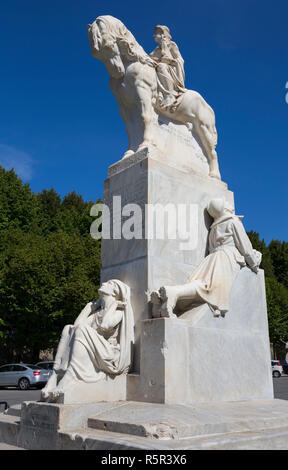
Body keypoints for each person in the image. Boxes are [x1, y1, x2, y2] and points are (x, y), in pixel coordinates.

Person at [152, 198, 262, 318]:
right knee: (208, 288)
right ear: (224, 208)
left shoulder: (214, 227)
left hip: (212, 258)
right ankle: (173, 292)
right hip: (227, 257)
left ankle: (168, 296)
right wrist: (254, 264)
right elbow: (245, 248)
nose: (230, 204)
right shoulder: (233, 222)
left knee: (201, 284)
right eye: (226, 202)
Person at [41, 279, 134, 401]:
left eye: (109, 284)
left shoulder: (118, 312)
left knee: (82, 329)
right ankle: (56, 375)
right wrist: (89, 307)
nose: (104, 283)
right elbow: (76, 325)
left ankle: (71, 375)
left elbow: (105, 325)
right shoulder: (98, 313)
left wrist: (114, 305)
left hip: (109, 351)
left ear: (114, 292)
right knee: (67, 328)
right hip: (96, 348)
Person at [150, 25, 186, 111]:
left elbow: (180, 60)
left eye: (156, 33)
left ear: (162, 34)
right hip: (159, 69)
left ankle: (170, 95)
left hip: (171, 69)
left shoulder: (171, 45)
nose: (154, 35)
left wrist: (169, 61)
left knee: (161, 66)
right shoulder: (156, 50)